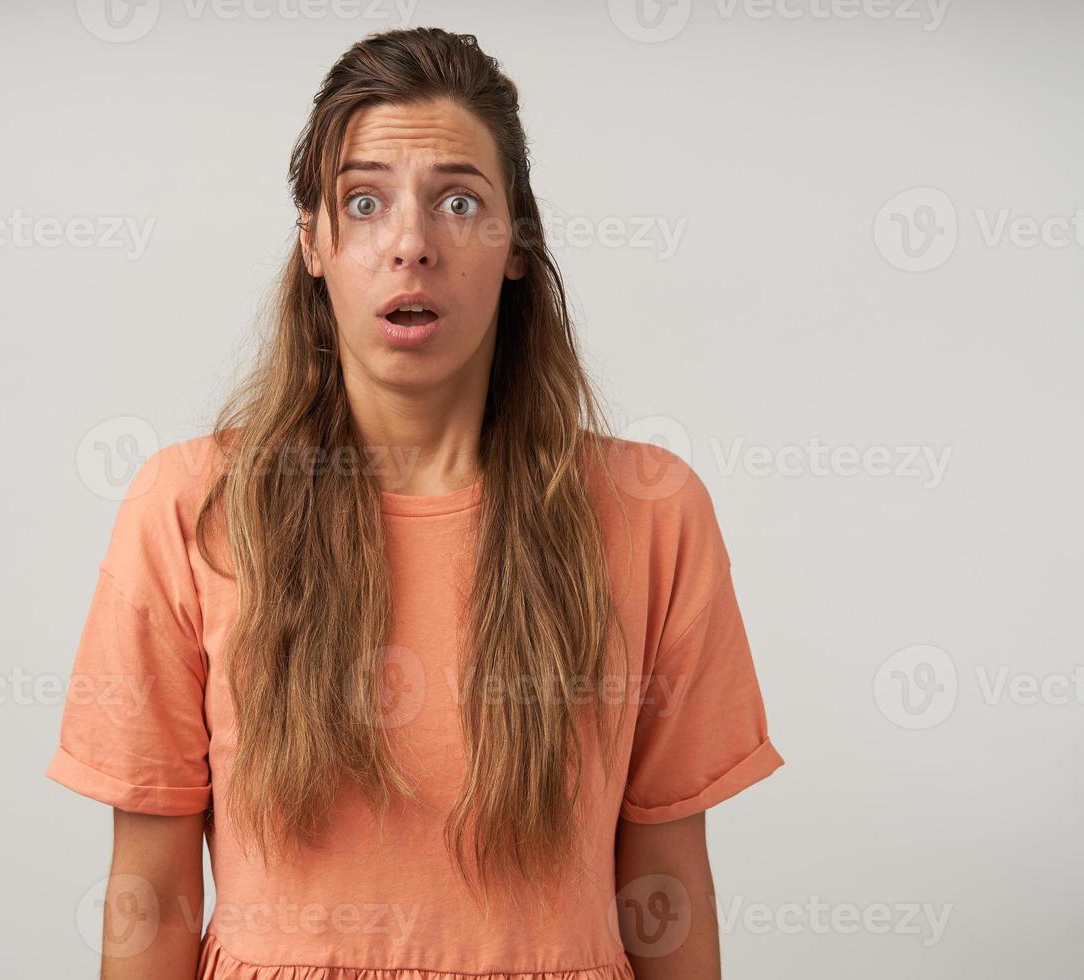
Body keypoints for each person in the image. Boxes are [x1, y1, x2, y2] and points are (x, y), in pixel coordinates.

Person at [46, 25, 783, 980]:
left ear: (517, 245)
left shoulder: (653, 512)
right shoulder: (189, 507)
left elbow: (665, 887)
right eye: (363, 202)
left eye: (459, 201)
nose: (411, 244)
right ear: (313, 244)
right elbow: (149, 890)